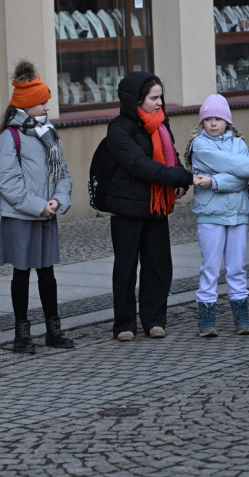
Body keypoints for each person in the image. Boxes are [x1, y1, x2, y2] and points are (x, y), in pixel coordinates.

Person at [102, 72, 193, 341]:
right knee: (126, 268)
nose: (159, 102)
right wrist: (184, 177)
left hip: (156, 207)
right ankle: (125, 324)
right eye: (153, 98)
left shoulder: (162, 125)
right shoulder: (118, 128)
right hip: (127, 208)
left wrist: (180, 182)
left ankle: (155, 320)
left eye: (160, 97)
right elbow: (139, 164)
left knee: (157, 265)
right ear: (136, 100)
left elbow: (171, 158)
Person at [0, 60, 74, 354]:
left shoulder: (49, 134)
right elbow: (9, 184)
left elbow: (63, 174)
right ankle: (21, 334)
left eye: (46, 102)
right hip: (22, 218)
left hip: (46, 215)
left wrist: (58, 201)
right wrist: (40, 206)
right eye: (41, 103)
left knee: (47, 274)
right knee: (21, 275)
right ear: (26, 107)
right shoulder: (9, 137)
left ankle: (54, 330)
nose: (46, 107)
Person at [185, 94, 249, 337]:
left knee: (237, 268)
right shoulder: (199, 145)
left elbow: (240, 178)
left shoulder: (239, 144)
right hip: (210, 215)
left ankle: (242, 317)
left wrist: (214, 180)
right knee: (211, 268)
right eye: (208, 119)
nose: (213, 123)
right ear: (202, 123)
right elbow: (233, 166)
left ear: (227, 121)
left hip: (237, 214)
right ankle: (206, 319)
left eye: (218, 118)